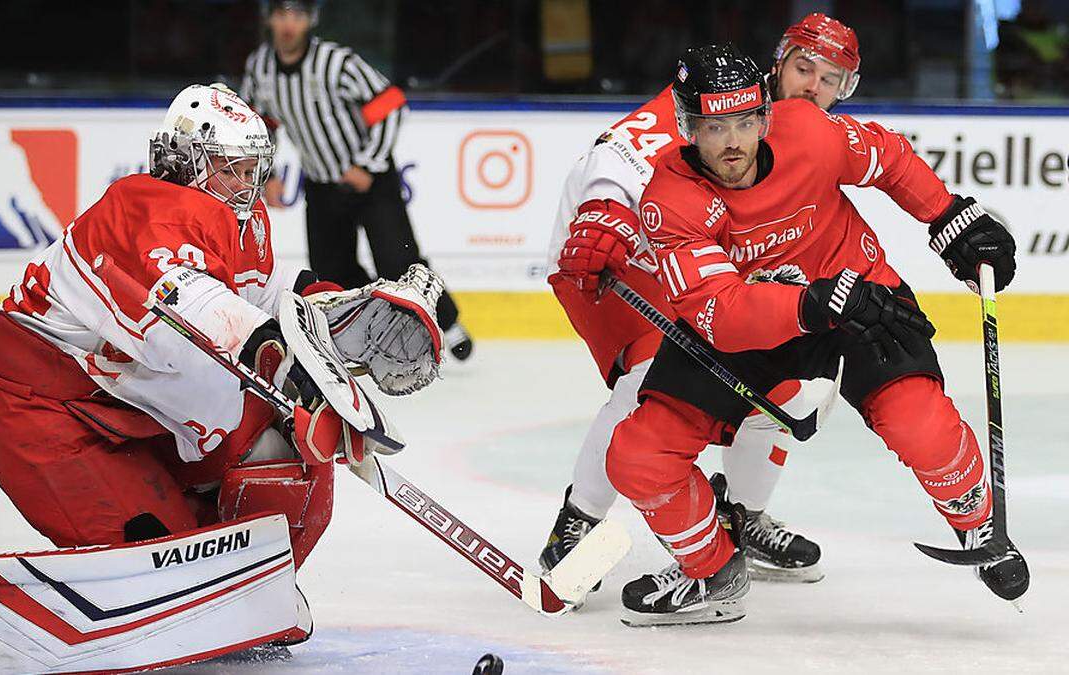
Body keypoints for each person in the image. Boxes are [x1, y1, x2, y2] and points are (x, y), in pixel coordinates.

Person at [0, 83, 443, 672]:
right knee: (149, 561)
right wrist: (289, 367)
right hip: (45, 415)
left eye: (253, 168)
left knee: (292, 461)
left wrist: (340, 308)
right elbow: (188, 309)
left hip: (130, 410)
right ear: (186, 161)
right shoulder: (138, 209)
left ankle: (232, 596)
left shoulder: (239, 219)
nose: (247, 183)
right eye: (231, 168)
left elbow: (264, 294)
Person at [569, 43, 1026, 626]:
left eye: (743, 121)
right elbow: (722, 313)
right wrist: (813, 299)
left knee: (922, 425)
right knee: (637, 456)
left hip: (860, 301)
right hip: (757, 329)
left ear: (764, 115)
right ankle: (713, 569)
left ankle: (974, 518)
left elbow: (887, 158)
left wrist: (948, 215)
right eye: (713, 126)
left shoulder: (808, 132)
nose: (732, 142)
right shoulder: (670, 200)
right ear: (685, 127)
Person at [542, 14, 862, 586]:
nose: (814, 87)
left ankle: (741, 516)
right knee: (648, 380)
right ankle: (578, 523)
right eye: (804, 69)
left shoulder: (806, 140)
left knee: (793, 384)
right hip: (616, 252)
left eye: (831, 78)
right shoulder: (723, 92)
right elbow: (625, 149)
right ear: (777, 66)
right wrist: (603, 207)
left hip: (701, 266)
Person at [240, 0, 473, 360]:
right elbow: (260, 124)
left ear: (310, 21)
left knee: (398, 261)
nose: (289, 24)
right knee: (334, 271)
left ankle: (448, 322)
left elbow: (391, 105)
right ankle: (375, 330)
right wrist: (266, 175)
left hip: (371, 180)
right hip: (320, 184)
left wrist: (366, 164)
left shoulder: (336, 63)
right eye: (282, 14)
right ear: (269, 19)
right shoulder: (260, 68)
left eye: (297, 15)